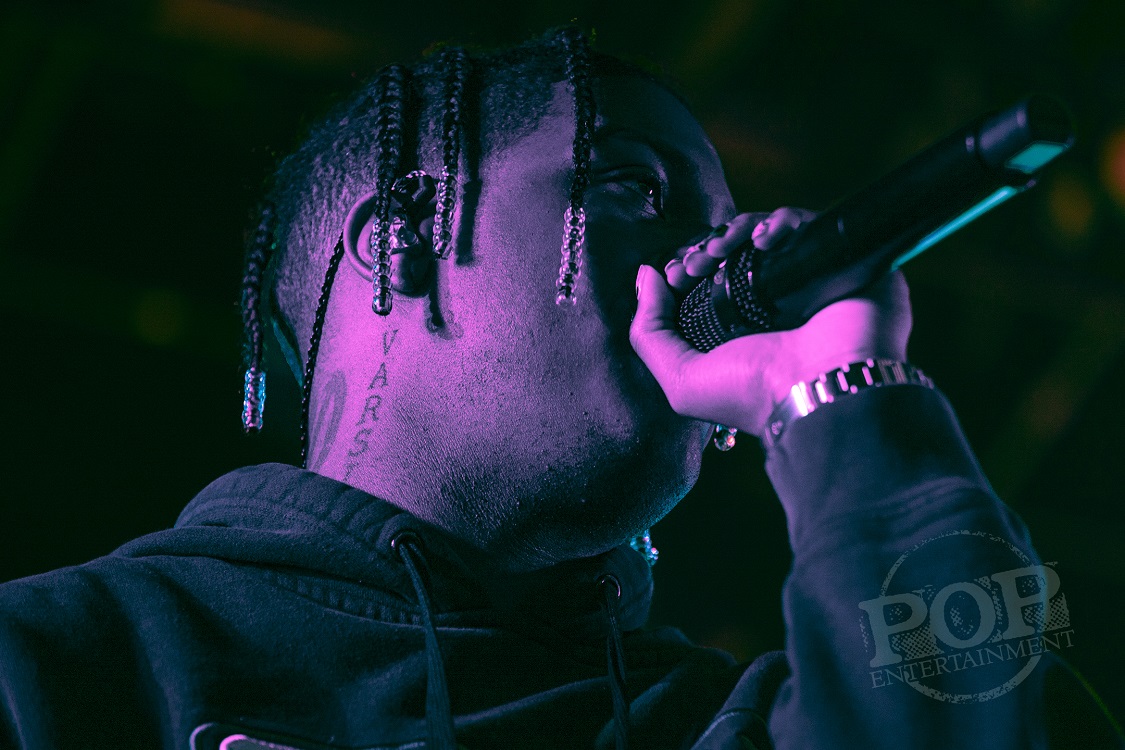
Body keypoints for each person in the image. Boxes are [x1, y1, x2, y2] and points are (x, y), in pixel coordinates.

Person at [0, 27, 1079, 750]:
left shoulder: (735, 722)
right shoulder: (60, 663)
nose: (706, 263)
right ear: (402, 242)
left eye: (718, 225)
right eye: (634, 188)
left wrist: (853, 389)